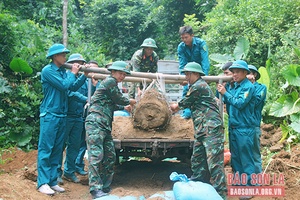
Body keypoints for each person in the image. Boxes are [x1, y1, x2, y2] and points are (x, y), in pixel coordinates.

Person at [170, 62, 227, 199]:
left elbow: (181, 105)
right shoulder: (196, 86)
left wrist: (173, 107)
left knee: (214, 163)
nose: (186, 77)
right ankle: (198, 188)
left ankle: (221, 194)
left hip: (211, 129)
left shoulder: (198, 86)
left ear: (195, 74)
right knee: (197, 160)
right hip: (202, 130)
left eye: (188, 74)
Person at [37, 44, 84, 195]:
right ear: (55, 56)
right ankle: (42, 182)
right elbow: (64, 86)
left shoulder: (64, 72)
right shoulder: (48, 71)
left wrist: (84, 75)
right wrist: (73, 72)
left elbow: (72, 87)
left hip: (62, 115)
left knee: (57, 150)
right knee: (46, 149)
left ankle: (52, 181)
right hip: (50, 114)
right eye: (63, 55)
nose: (65, 57)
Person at [85, 61, 136, 199]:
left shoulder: (111, 85)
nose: (122, 76)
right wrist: (132, 102)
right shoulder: (110, 82)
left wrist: (123, 107)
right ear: (113, 72)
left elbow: (111, 103)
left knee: (110, 156)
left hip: (105, 125)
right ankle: (95, 189)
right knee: (96, 156)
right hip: (96, 122)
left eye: (124, 74)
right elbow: (119, 99)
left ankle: (104, 186)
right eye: (120, 73)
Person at [217, 60, 256, 191]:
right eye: (233, 72)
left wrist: (225, 93)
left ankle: (249, 187)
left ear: (245, 73)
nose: (234, 74)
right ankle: (239, 183)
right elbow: (222, 96)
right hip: (234, 127)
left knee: (246, 158)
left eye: (238, 72)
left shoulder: (248, 87)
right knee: (236, 158)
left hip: (244, 128)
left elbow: (239, 103)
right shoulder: (233, 86)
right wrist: (223, 90)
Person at [57, 53, 96, 184]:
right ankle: (56, 172)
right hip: (67, 115)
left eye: (81, 63)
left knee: (75, 145)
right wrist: (85, 99)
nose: (80, 65)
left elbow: (89, 93)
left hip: (79, 116)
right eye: (77, 63)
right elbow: (70, 92)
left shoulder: (84, 80)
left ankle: (69, 171)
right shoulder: (67, 76)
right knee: (60, 145)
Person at [177, 25, 210, 119]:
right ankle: (186, 113)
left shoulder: (201, 44)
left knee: (201, 92)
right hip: (188, 72)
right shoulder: (181, 47)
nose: (184, 40)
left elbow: (205, 61)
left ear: (192, 35)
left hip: (199, 73)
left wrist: (204, 77)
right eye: (182, 38)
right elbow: (182, 63)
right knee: (186, 90)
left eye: (186, 37)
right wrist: (183, 76)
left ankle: (201, 113)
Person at [75, 60, 100, 176]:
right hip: (80, 114)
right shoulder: (82, 81)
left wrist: (95, 86)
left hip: (91, 117)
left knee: (86, 143)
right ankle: (75, 165)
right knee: (79, 142)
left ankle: (78, 165)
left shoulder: (97, 82)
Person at [247, 65, 267, 174]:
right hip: (241, 126)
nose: (249, 76)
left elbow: (256, 101)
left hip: (254, 125)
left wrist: (249, 88)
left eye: (250, 73)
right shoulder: (240, 87)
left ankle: (257, 179)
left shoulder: (261, 88)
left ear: (254, 75)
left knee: (255, 153)